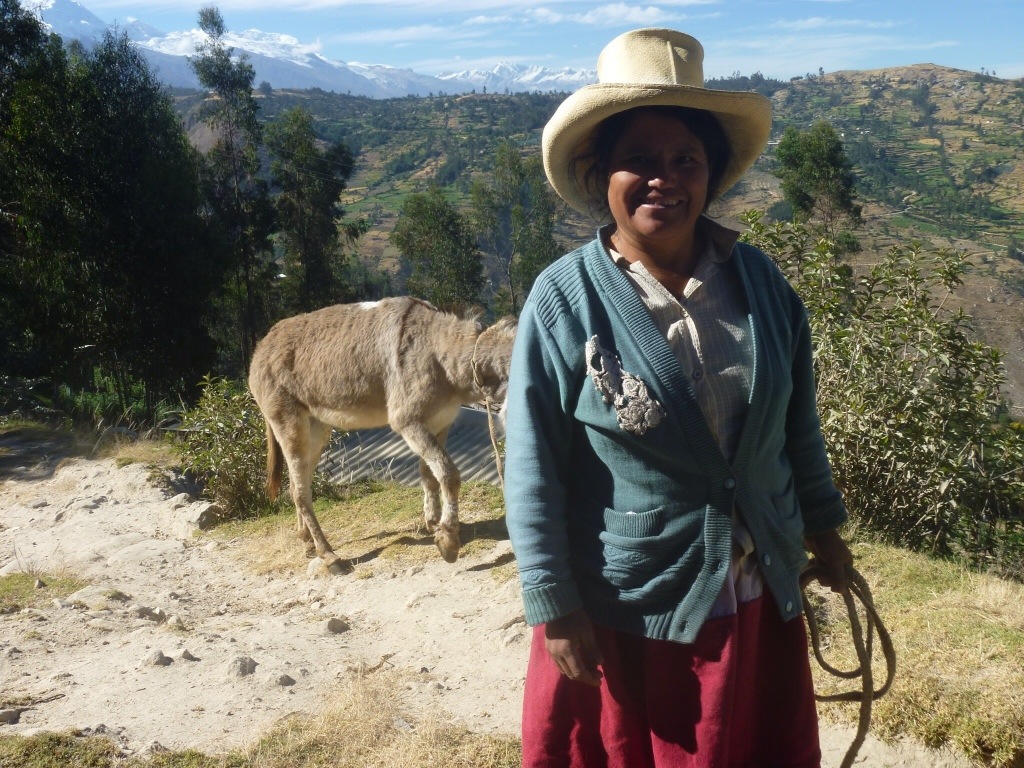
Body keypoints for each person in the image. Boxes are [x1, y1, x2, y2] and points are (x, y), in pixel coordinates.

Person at [503, 28, 854, 768]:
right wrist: (554, 606)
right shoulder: (563, 300)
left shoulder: (761, 285)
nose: (663, 179)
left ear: (711, 172)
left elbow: (796, 426)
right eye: (638, 158)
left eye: (684, 159)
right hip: (631, 607)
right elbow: (534, 468)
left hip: (754, 592)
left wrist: (825, 531)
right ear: (600, 172)